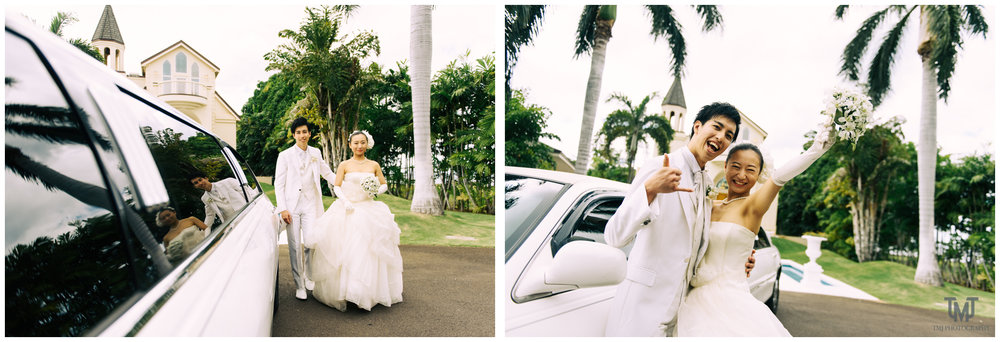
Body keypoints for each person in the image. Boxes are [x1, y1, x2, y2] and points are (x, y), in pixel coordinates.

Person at [604, 102, 755, 337]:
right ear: (697, 126)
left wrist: (736, 260)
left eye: (729, 135)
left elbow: (697, 243)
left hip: (680, 315)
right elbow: (614, 235)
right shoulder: (658, 166)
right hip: (640, 309)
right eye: (716, 127)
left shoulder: (707, 185)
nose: (721, 137)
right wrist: (650, 189)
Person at [676, 125, 834, 336]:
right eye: (736, 166)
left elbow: (781, 177)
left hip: (730, 303)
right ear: (726, 167)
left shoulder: (752, 207)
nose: (741, 175)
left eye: (750, 169)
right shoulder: (708, 205)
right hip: (690, 297)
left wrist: (817, 148)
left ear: (759, 174)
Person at [309, 130, 403, 312]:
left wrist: (375, 191)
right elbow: (336, 186)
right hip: (347, 209)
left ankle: (363, 292)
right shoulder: (344, 164)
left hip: (368, 209)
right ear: (350, 145)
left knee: (366, 250)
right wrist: (345, 201)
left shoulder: (374, 164)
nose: (359, 146)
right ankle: (347, 292)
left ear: (367, 144)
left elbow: (384, 184)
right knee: (346, 250)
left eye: (362, 143)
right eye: (356, 143)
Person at [274, 117, 336, 300]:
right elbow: (279, 184)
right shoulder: (284, 156)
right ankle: (299, 285)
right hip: (292, 207)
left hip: (310, 204)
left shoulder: (316, 152)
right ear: (294, 135)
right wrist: (282, 208)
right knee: (294, 247)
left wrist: (344, 183)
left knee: (310, 242)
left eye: (305, 132)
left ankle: (309, 276)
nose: (302, 135)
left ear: (310, 134)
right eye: (298, 132)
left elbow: (327, 173)